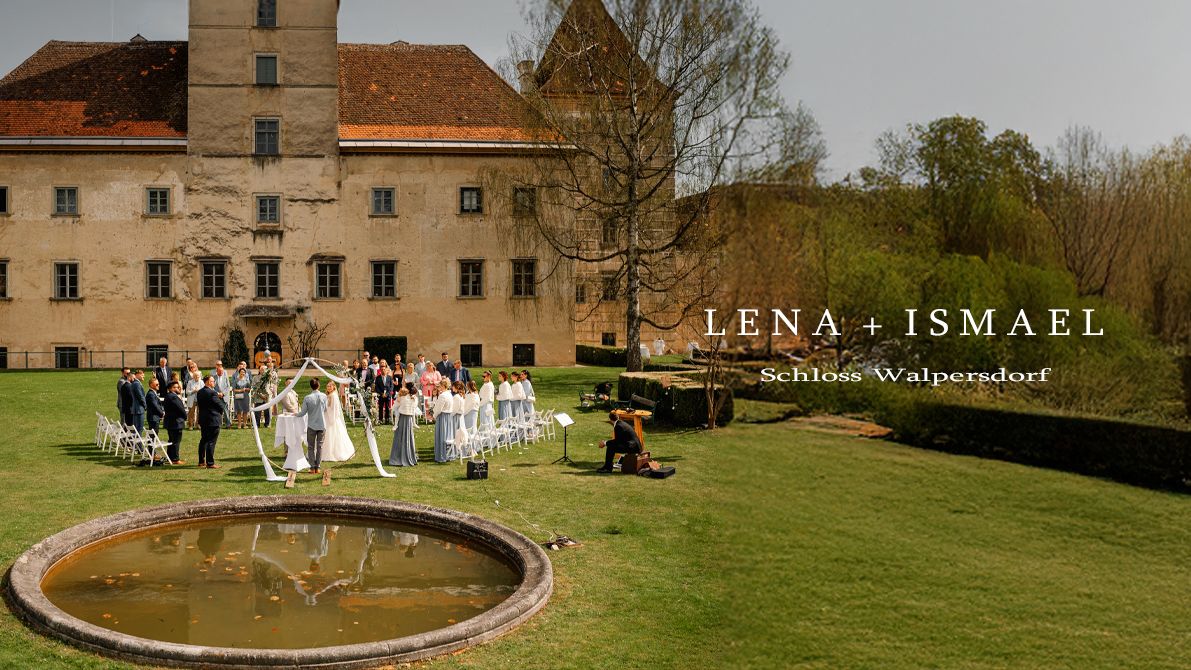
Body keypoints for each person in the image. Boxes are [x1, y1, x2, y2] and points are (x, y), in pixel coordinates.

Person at [295, 378, 328, 474]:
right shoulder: (324, 396)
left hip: (312, 425)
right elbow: (325, 409)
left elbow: (303, 412)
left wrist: (295, 414)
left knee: (310, 446)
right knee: (320, 447)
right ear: (319, 385)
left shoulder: (307, 398)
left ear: (311, 386)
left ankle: (312, 467)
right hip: (322, 425)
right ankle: (318, 467)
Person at [196, 375, 227, 469]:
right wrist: (220, 397)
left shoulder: (200, 392)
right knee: (211, 441)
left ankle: (201, 461)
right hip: (213, 419)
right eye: (213, 381)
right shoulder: (212, 393)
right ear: (208, 382)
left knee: (203, 440)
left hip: (203, 419)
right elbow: (221, 406)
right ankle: (210, 463)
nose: (214, 383)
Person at [321, 380, 356, 462]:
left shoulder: (333, 396)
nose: (329, 388)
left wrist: (331, 419)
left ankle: (334, 452)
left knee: (333, 434)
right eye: (327, 386)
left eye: (330, 386)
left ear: (334, 387)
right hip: (327, 417)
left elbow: (334, 409)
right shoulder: (328, 395)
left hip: (332, 418)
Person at [389, 387, 418, 466]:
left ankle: (397, 457)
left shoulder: (402, 398)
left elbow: (394, 407)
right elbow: (414, 409)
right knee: (408, 437)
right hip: (409, 420)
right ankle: (410, 456)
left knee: (400, 437)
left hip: (402, 419)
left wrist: (393, 410)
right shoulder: (414, 399)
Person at [162, 380, 186, 464]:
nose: (177, 388)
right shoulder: (173, 397)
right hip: (176, 422)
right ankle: (175, 459)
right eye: (175, 387)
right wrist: (185, 416)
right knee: (176, 441)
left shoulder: (168, 396)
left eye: (178, 387)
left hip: (171, 422)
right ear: (170, 389)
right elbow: (181, 409)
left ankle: (170, 457)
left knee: (171, 440)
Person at [432, 380, 454, 462]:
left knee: (442, 435)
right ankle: (447, 454)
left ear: (443, 386)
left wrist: (434, 415)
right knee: (447, 435)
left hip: (442, 416)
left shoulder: (442, 396)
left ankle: (441, 455)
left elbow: (438, 408)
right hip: (448, 416)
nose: (439, 387)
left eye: (440, 386)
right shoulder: (449, 394)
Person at [212, 360, 233, 428]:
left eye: (222, 372)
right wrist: (217, 393)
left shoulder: (225, 377)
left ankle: (228, 424)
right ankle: (218, 424)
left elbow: (228, 386)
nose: (221, 373)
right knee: (217, 411)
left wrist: (223, 393)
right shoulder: (214, 377)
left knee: (226, 411)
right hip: (217, 396)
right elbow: (212, 387)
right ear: (217, 371)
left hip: (224, 396)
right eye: (220, 372)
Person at [451, 380, 467, 458]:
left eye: (453, 386)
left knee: (456, 434)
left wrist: (450, 416)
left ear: (456, 387)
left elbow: (455, 409)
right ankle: (460, 451)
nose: (452, 387)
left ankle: (456, 451)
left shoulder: (457, 397)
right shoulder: (461, 396)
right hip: (460, 416)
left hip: (457, 417)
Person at [253, 364, 273, 428]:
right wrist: (260, 395)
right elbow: (254, 387)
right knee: (257, 412)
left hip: (266, 397)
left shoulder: (269, 378)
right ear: (259, 370)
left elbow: (271, 386)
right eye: (261, 369)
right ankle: (257, 424)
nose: (263, 371)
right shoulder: (255, 378)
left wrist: (267, 394)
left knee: (267, 412)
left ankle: (267, 424)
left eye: (264, 369)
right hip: (258, 397)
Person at [184, 364, 203, 430]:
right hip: (192, 399)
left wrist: (199, 391)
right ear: (193, 376)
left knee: (200, 412)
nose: (197, 377)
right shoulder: (190, 382)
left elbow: (204, 391)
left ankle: (198, 424)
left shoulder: (202, 382)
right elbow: (187, 392)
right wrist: (193, 391)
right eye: (196, 376)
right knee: (191, 413)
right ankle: (190, 425)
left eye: (198, 376)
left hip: (200, 399)